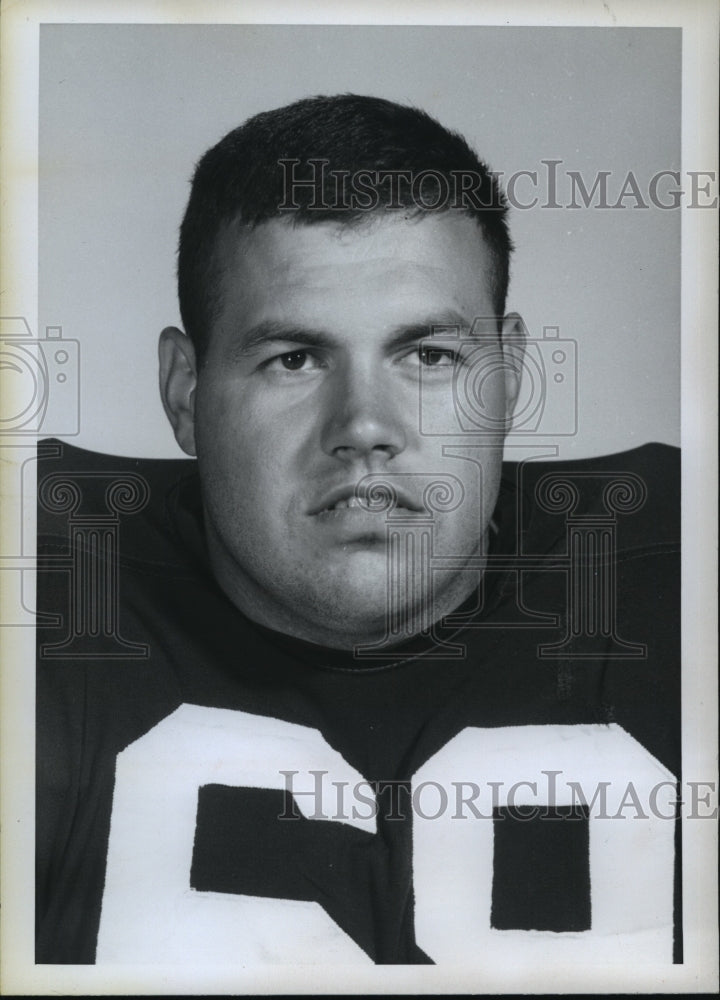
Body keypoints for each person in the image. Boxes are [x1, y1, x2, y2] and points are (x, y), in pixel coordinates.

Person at [35, 94, 680, 966]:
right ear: (186, 393)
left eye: (429, 356)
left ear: (511, 378)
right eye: (294, 358)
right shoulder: (47, 591)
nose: (366, 426)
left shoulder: (680, 576)